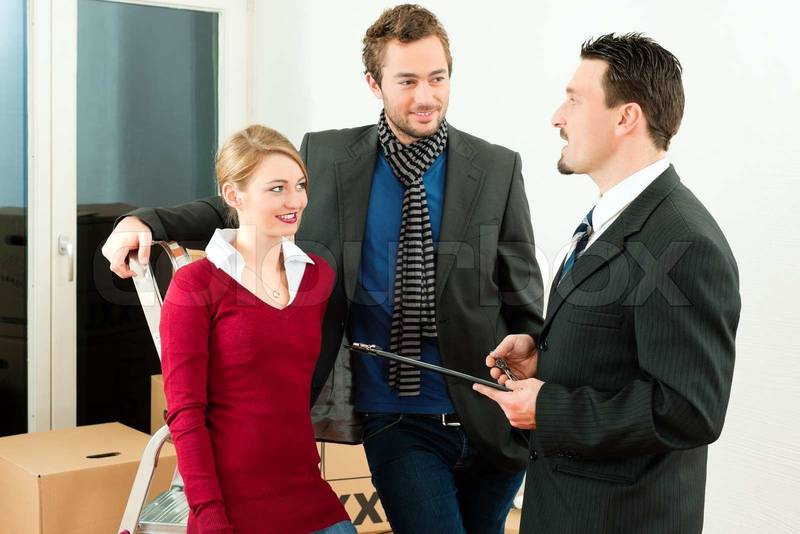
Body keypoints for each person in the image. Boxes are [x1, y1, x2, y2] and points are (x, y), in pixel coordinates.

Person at [103, 5, 543, 533]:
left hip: (489, 413)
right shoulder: (329, 156)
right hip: (397, 417)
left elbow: (523, 295)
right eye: (407, 81)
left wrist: (536, 372)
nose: (426, 96)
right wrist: (145, 220)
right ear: (374, 83)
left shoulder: (497, 166)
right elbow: (245, 203)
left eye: (437, 78)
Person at [473, 34, 740, 533]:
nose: (557, 117)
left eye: (574, 100)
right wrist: (547, 360)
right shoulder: (610, 221)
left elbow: (688, 410)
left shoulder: (683, 241)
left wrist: (548, 408)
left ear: (625, 118)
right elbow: (621, 357)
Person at [159, 125, 354, 533]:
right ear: (234, 196)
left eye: (300, 185)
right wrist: (210, 517)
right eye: (277, 188)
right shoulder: (195, 285)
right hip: (233, 508)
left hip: (308, 495)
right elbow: (186, 414)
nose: (295, 201)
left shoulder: (317, 277)